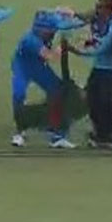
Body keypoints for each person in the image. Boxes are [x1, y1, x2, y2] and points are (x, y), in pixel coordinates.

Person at [9, 9, 81, 149]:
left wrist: (70, 14)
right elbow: (51, 56)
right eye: (50, 30)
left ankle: (56, 134)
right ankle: (19, 132)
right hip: (23, 66)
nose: (53, 32)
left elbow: (61, 13)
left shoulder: (48, 23)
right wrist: (63, 47)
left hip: (38, 65)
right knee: (19, 93)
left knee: (57, 91)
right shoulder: (31, 40)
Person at [82, 0, 112, 148]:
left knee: (106, 102)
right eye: (97, 6)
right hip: (99, 68)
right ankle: (101, 134)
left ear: (109, 10)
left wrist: (76, 50)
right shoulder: (97, 22)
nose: (97, 9)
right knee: (92, 100)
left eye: (101, 7)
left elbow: (102, 47)